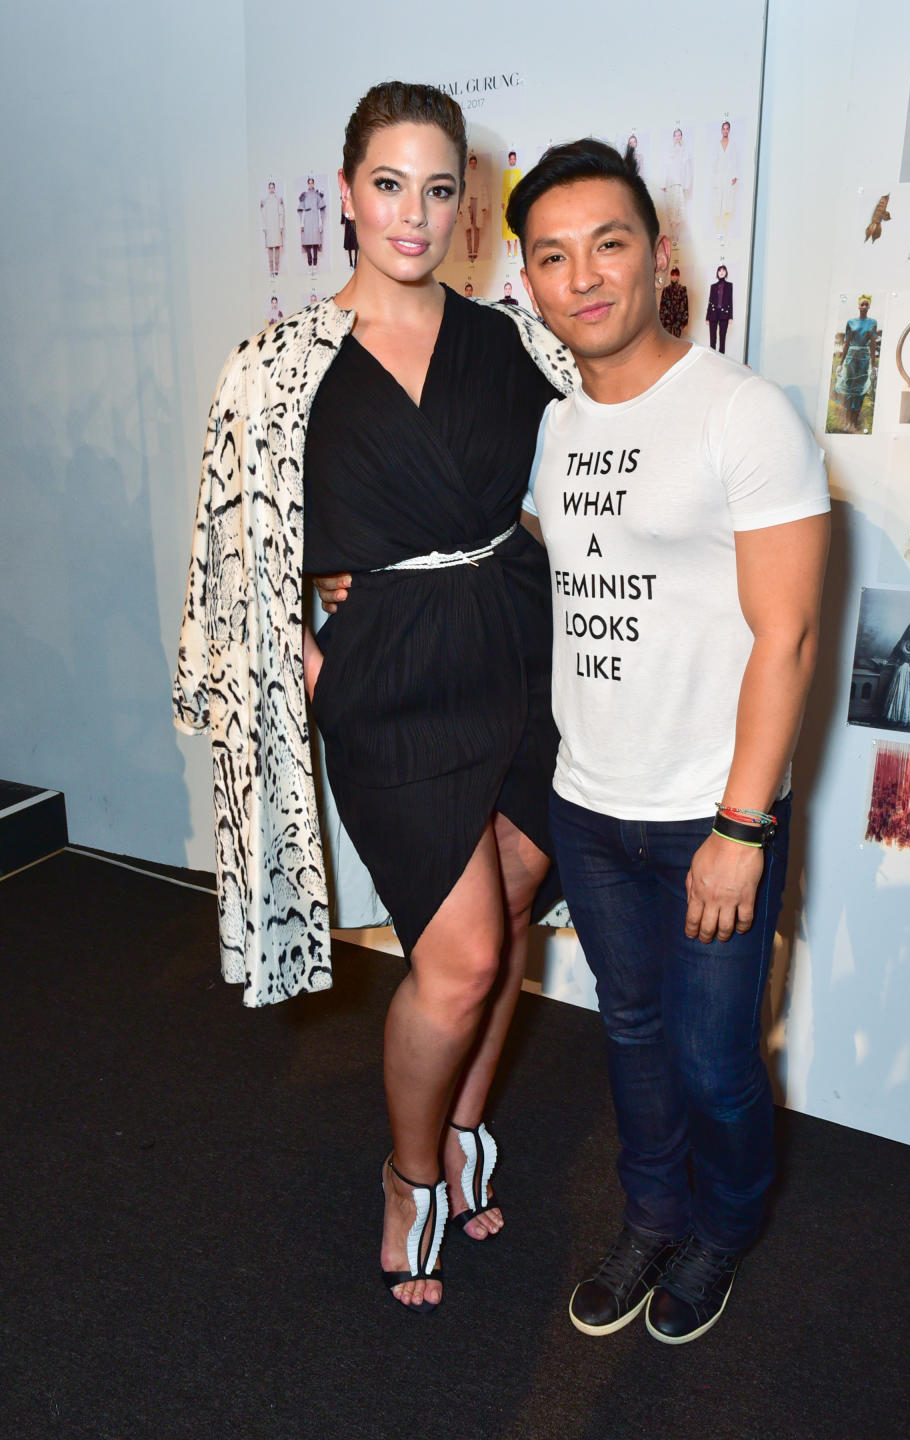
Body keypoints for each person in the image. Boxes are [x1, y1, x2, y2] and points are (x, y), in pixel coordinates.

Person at [173, 81, 577, 1316]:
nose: (413, 210)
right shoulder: (276, 365)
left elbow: (603, 474)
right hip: (393, 682)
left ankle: (461, 1131)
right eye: (389, 184)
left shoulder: (515, 340)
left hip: (517, 649)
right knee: (454, 960)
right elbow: (233, 539)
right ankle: (410, 1173)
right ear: (347, 194)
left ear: (469, 208)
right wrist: (284, 636)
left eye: (440, 187)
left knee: (510, 903)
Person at [504, 138, 830, 1344]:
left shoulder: (743, 414)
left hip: (711, 812)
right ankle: (652, 1214)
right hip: (589, 803)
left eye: (610, 244)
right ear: (528, 278)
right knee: (629, 1037)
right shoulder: (552, 431)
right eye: (553, 255)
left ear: (658, 255)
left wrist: (742, 829)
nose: (583, 276)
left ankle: (725, 1228)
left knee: (713, 1063)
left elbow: (786, 636)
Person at [833, 295, 878, 433]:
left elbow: (873, 344)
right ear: (858, 306)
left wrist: (873, 364)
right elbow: (846, 342)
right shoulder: (851, 322)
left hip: (864, 358)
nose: (864, 307)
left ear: (869, 306)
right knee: (848, 390)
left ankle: (854, 422)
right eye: (862, 304)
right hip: (851, 357)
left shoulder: (873, 322)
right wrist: (841, 363)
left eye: (866, 304)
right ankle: (847, 422)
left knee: (860, 391)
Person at [876, 621, 910, 727]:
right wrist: (887, 661)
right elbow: (894, 654)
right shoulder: (903, 641)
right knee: (898, 691)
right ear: (908, 629)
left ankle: (907, 718)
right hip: (901, 669)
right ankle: (895, 716)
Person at [660, 127, 691, 246]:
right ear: (673, 137)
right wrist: (663, 184)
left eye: (679, 135)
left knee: (679, 211)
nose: (677, 137)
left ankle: (676, 235)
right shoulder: (669, 152)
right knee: (670, 210)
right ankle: (672, 233)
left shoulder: (685, 152)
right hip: (670, 185)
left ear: (681, 137)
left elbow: (687, 169)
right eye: (675, 135)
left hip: (679, 185)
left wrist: (686, 185)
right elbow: (665, 169)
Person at [461, 152, 490, 264]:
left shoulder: (480, 176)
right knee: (468, 227)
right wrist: (461, 208)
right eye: (471, 163)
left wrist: (484, 205)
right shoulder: (466, 177)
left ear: (476, 164)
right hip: (468, 202)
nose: (473, 165)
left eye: (474, 163)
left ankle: (475, 251)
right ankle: (469, 252)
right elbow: (462, 193)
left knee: (477, 227)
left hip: (477, 202)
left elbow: (484, 192)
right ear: (469, 164)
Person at [712, 120, 739, 234]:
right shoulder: (717, 144)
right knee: (718, 202)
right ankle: (718, 230)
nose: (725, 130)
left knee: (728, 202)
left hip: (728, 177)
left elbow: (735, 160)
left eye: (727, 128)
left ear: (729, 130)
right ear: (721, 130)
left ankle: (725, 229)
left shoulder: (732, 145)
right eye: (724, 128)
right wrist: (714, 178)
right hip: (719, 177)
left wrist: (735, 176)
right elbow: (714, 162)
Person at [298, 175, 326, 268]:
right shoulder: (304, 195)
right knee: (307, 243)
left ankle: (315, 265)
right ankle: (309, 264)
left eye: (312, 183)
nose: (310, 184)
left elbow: (320, 209)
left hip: (315, 219)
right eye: (309, 183)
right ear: (307, 184)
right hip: (307, 220)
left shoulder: (317, 195)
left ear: (313, 183)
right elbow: (302, 210)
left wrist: (320, 222)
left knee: (315, 243)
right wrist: (301, 223)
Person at [706, 264, 733, 353]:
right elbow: (710, 302)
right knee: (712, 339)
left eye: (723, 270)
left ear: (726, 273)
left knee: (722, 339)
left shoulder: (729, 285)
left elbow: (730, 301)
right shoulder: (713, 286)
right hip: (713, 313)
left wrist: (730, 316)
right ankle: (712, 358)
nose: (721, 272)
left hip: (724, 314)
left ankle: (721, 360)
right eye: (720, 270)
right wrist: (707, 317)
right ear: (717, 273)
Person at [502, 149, 523, 258]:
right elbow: (504, 187)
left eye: (514, 159)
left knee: (514, 220)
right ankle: (509, 246)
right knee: (506, 222)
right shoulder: (505, 173)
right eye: (511, 159)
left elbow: (520, 187)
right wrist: (502, 201)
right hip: (506, 199)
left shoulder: (518, 172)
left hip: (515, 198)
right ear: (508, 160)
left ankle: (515, 246)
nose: (512, 161)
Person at [261, 180, 284, 277]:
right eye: (270, 187)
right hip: (269, 227)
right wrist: (264, 227)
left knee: (277, 247)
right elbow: (263, 215)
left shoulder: (278, 199)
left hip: (276, 226)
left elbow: (281, 213)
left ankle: (276, 269)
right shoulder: (265, 201)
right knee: (270, 248)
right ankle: (271, 270)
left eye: (272, 187)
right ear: (268, 189)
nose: (271, 189)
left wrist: (281, 226)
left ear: (274, 188)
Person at [658, 265, 688, 337]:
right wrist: (662, 320)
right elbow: (662, 306)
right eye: (673, 275)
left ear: (678, 276)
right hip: (667, 320)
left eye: (676, 275)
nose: (674, 277)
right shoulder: (666, 290)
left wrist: (684, 321)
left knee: (676, 342)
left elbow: (685, 306)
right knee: (666, 340)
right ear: (670, 276)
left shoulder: (682, 289)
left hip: (678, 321)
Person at [340, 202, 358, 268]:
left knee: (356, 243)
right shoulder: (345, 202)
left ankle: (355, 262)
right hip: (348, 223)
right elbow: (343, 211)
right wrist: (343, 220)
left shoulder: (356, 200)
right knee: (349, 243)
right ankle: (350, 262)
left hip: (355, 223)